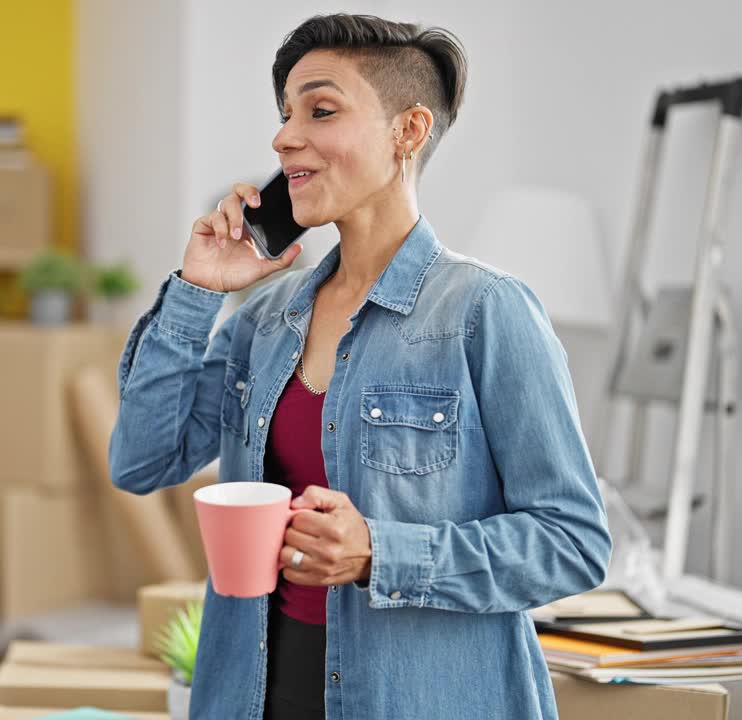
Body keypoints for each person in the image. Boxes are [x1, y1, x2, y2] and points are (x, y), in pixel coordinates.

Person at [109, 13, 611, 719]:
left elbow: (573, 543)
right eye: (284, 114)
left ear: (409, 131)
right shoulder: (263, 319)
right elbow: (141, 461)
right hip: (252, 693)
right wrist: (196, 292)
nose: (284, 137)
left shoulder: (485, 313)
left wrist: (381, 551)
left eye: (320, 109)